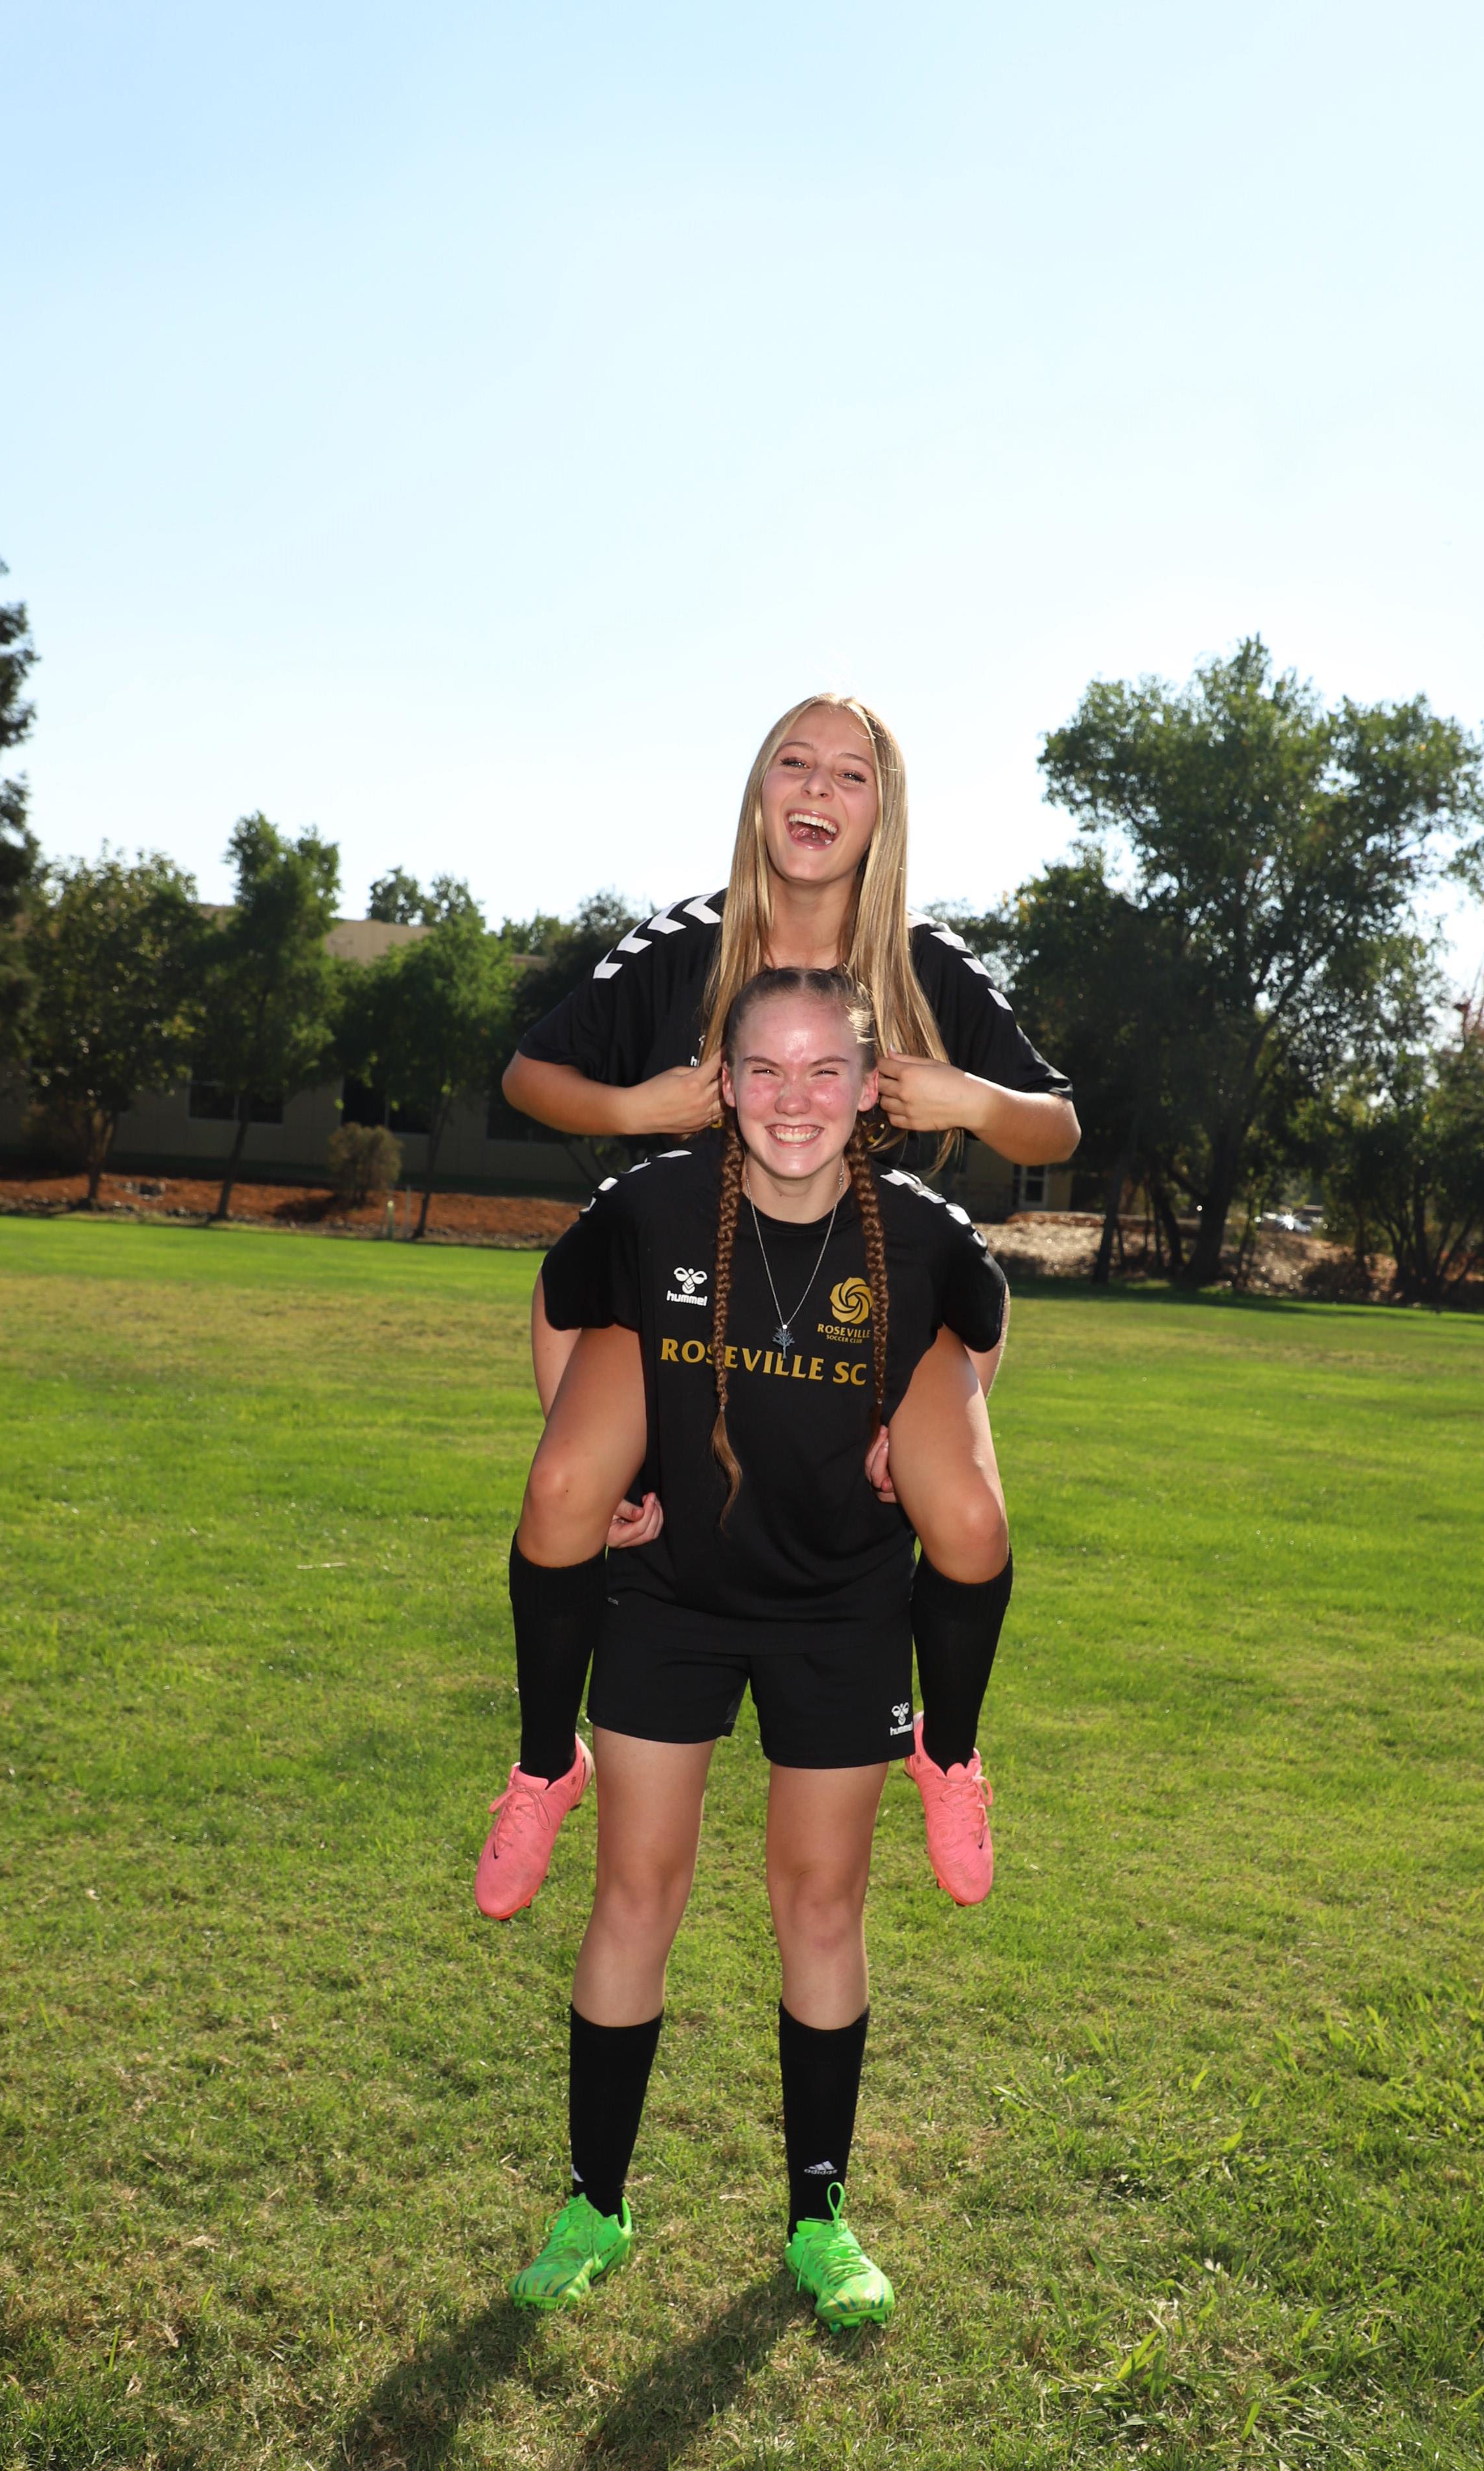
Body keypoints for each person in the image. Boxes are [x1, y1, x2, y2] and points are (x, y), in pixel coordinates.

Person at [477, 966, 1009, 2328]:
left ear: (869, 1089)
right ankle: (595, 2201)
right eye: (764, 1069)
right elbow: (556, 1301)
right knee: (634, 1894)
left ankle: (820, 2216)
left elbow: (985, 1328)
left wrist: (924, 1430)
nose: (793, 1098)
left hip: (841, 1610)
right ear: (723, 1084)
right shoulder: (651, 1206)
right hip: (673, 1595)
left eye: (825, 1069)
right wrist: (597, 1461)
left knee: (819, 1905)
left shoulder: (922, 1234)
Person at [496, 693, 1076, 1875]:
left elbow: (1056, 1127)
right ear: (759, 789)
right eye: (794, 763)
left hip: (864, 1318)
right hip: (679, 1306)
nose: (818, 788)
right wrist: (634, 1108)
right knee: (562, 1486)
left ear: (884, 812)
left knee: (969, 1520)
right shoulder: (687, 943)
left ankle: (948, 1752)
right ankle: (544, 1765)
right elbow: (527, 1076)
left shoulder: (922, 963)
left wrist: (968, 1097)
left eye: (851, 774)